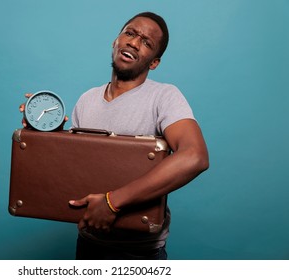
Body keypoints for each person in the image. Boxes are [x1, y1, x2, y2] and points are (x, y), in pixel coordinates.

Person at [20, 12, 209, 260]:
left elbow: (195, 156)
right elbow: (77, 170)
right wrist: (44, 136)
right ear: (115, 41)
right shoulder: (87, 100)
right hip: (87, 244)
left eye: (146, 42)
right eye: (130, 33)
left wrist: (112, 203)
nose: (133, 42)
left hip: (140, 255)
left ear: (154, 62)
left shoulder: (164, 97)